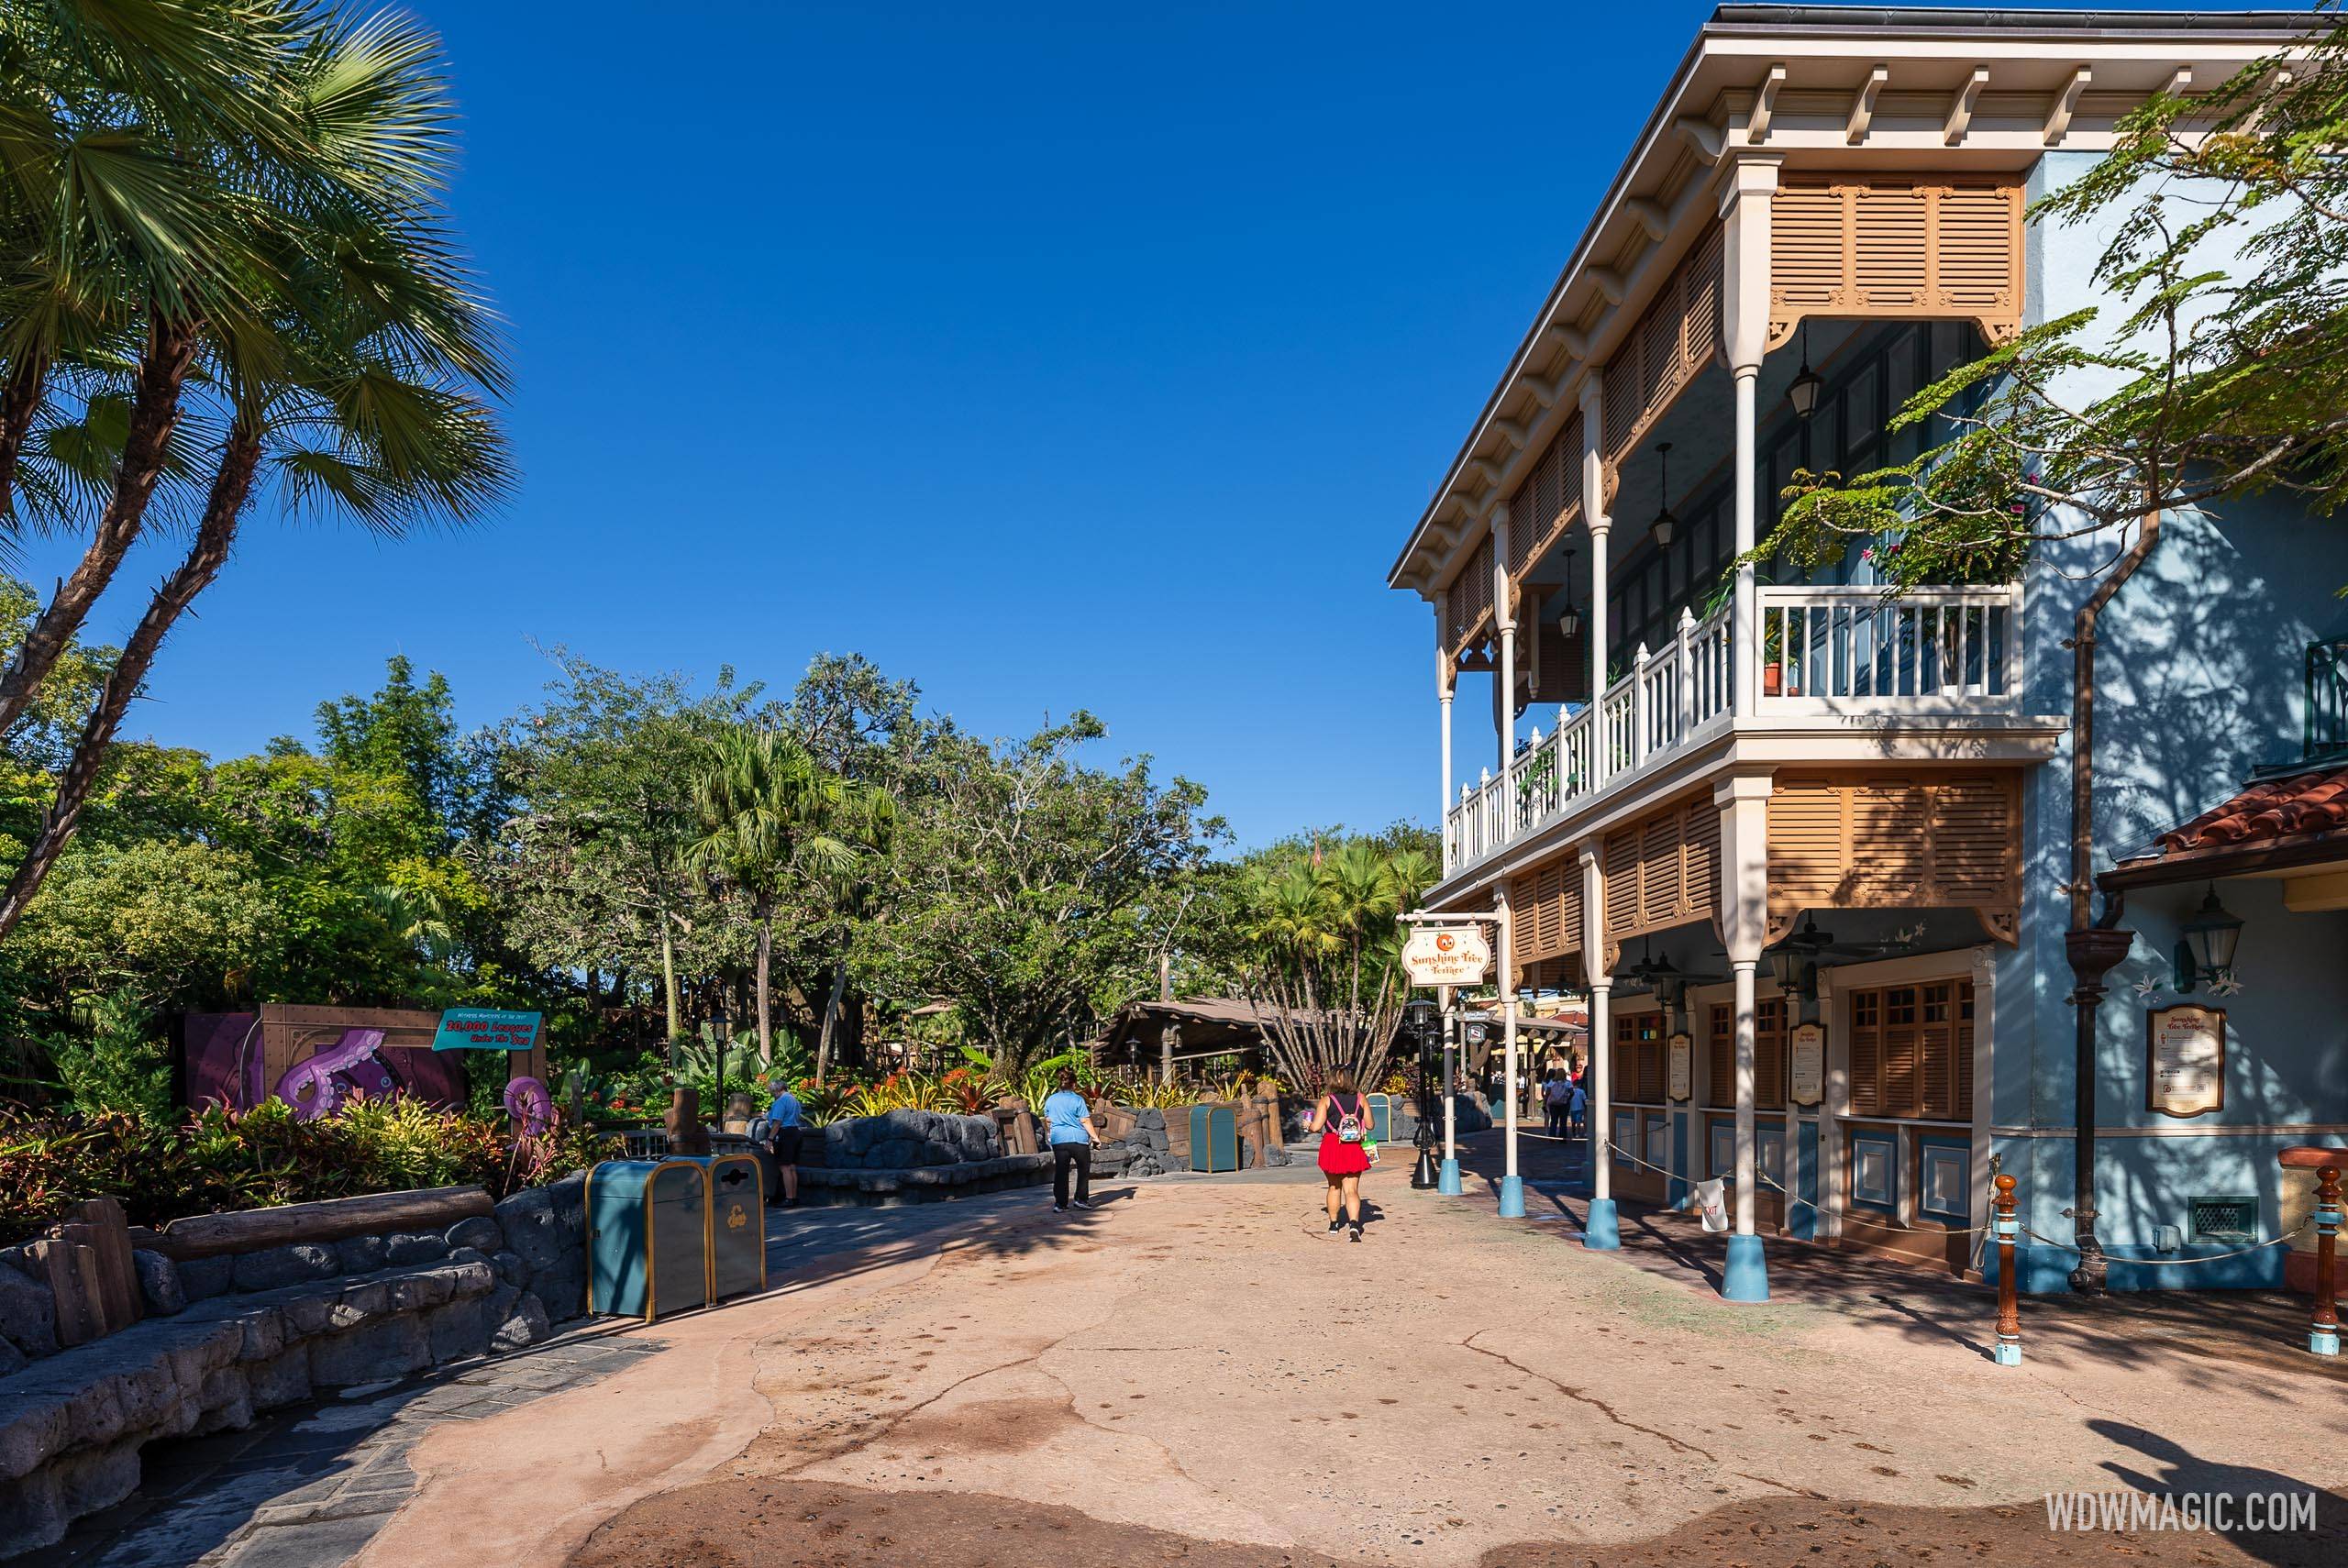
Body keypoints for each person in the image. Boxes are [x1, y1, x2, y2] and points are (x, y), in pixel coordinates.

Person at [1306, 1070, 1374, 1242]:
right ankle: (1353, 1225)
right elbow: (1370, 1125)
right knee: (1352, 1190)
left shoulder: (1327, 1100)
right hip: (1354, 1148)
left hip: (1333, 1145)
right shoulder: (1361, 1098)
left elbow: (1316, 1127)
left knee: (1334, 1187)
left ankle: (1334, 1224)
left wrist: (1308, 1125)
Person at [1040, 1068, 1100, 1213]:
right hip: (1077, 1139)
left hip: (1058, 1140)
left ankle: (1060, 1204)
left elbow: (1048, 1120)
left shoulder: (1051, 1100)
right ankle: (1081, 1199)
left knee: (1061, 1171)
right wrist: (1095, 1137)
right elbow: (1085, 1120)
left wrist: (1050, 1133)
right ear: (1074, 1084)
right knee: (1083, 1169)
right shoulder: (1078, 1099)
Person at [762, 1083, 803, 1206]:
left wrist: (769, 1140)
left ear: (778, 1090)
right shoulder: (794, 1100)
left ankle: (788, 1198)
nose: (773, 1095)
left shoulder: (780, 1102)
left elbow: (777, 1123)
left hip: (785, 1134)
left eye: (773, 1093)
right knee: (792, 1166)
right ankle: (794, 1197)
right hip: (796, 1132)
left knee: (784, 1167)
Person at [1542, 1070, 1571, 1138]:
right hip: (1564, 1103)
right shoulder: (1567, 1083)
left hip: (1553, 1103)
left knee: (1554, 1120)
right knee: (1563, 1121)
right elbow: (1572, 1092)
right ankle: (1563, 1137)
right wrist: (1568, 1099)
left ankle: (1552, 1135)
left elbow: (1547, 1093)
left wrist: (1544, 1102)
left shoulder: (1551, 1082)